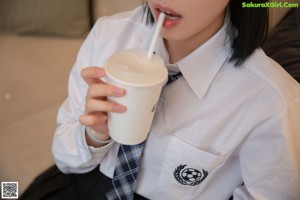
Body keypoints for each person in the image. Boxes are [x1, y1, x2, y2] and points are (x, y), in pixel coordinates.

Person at [21, 0, 300, 199]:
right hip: (84, 184)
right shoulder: (110, 35)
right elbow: (65, 159)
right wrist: (94, 135)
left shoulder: (272, 101)